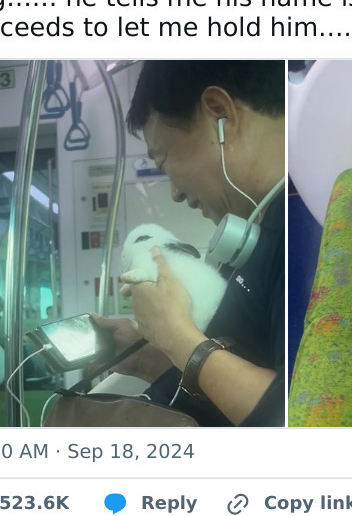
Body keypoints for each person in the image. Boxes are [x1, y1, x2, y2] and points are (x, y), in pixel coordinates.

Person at [95, 60, 285, 426]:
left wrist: (177, 334)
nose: (176, 193)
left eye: (164, 162)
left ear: (219, 112)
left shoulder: (302, 233)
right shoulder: (256, 234)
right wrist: (152, 358)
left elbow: (292, 416)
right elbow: (244, 370)